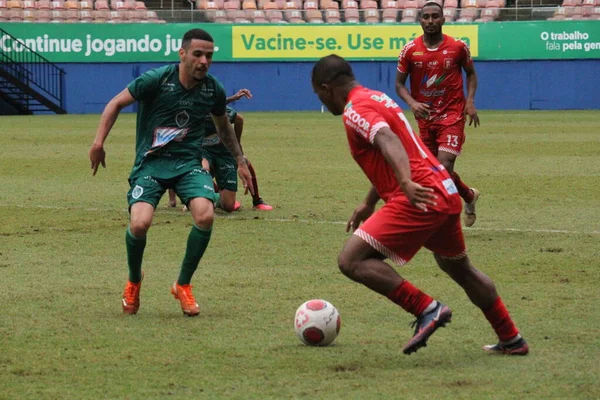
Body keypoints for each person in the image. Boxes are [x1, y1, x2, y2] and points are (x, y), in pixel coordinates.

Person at [311, 54, 528, 355]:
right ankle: (511, 338)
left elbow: (388, 141)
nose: (322, 101)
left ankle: (427, 309)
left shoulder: (354, 109)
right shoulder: (377, 98)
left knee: (352, 260)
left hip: (419, 195)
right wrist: (367, 203)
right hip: (444, 190)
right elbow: (389, 151)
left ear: (326, 88)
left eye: (318, 95)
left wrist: (405, 184)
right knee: (460, 269)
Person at [88, 28, 254, 317]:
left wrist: (239, 160)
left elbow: (223, 126)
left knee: (205, 214)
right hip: (151, 164)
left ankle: (183, 284)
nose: (204, 61)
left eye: (209, 56)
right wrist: (98, 142)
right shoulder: (157, 79)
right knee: (139, 224)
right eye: (198, 54)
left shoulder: (213, 89)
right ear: (182, 54)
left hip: (189, 163)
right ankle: (134, 281)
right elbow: (115, 103)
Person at [395, 1, 480, 227]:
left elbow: (471, 74)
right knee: (432, 170)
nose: (431, 21)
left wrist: (469, 101)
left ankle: (443, 218)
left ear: (443, 20)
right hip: (425, 119)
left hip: (452, 115)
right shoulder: (410, 50)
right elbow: (398, 85)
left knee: (444, 165)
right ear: (420, 21)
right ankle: (468, 195)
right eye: (426, 17)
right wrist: (412, 103)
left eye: (435, 16)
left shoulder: (458, 47)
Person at [168, 88, 273, 212]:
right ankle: (203, 197)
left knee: (229, 205)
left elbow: (239, 119)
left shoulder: (221, 113)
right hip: (204, 153)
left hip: (224, 154)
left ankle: (256, 200)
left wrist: (237, 143)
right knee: (200, 167)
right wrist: (172, 199)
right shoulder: (187, 115)